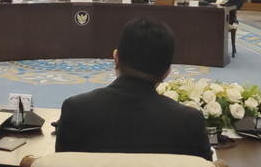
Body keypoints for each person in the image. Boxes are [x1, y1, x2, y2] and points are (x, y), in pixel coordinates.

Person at [55, 17, 215, 161]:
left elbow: (61, 162)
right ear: (166, 73)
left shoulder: (76, 109)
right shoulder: (188, 121)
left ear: (116, 59)